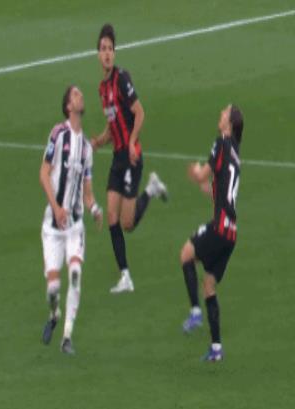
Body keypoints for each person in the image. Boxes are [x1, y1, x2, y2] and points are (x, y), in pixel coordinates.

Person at [91, 23, 168, 294]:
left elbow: (140, 112)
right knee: (112, 215)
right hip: (117, 159)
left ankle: (151, 189)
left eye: (110, 48)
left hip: (131, 158)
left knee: (127, 223)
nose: (107, 53)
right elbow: (112, 126)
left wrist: (133, 141)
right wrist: (98, 141)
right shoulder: (102, 89)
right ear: (98, 54)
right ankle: (125, 276)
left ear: (114, 52)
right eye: (103, 49)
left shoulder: (122, 79)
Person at [40, 85, 103, 355]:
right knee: (53, 288)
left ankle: (67, 336)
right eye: (75, 95)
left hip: (75, 226)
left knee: (75, 274)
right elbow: (43, 174)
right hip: (53, 228)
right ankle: (54, 314)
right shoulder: (58, 134)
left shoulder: (87, 148)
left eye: (80, 94)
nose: (81, 97)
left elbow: (87, 192)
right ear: (68, 106)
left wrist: (95, 208)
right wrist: (56, 207)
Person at [180, 104, 244, 362]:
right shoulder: (235, 153)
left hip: (219, 228)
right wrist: (207, 187)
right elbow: (221, 191)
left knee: (185, 254)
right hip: (231, 234)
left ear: (230, 123)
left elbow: (201, 175)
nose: (220, 113)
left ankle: (195, 312)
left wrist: (196, 173)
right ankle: (216, 348)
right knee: (208, 285)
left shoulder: (221, 143)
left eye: (224, 112)